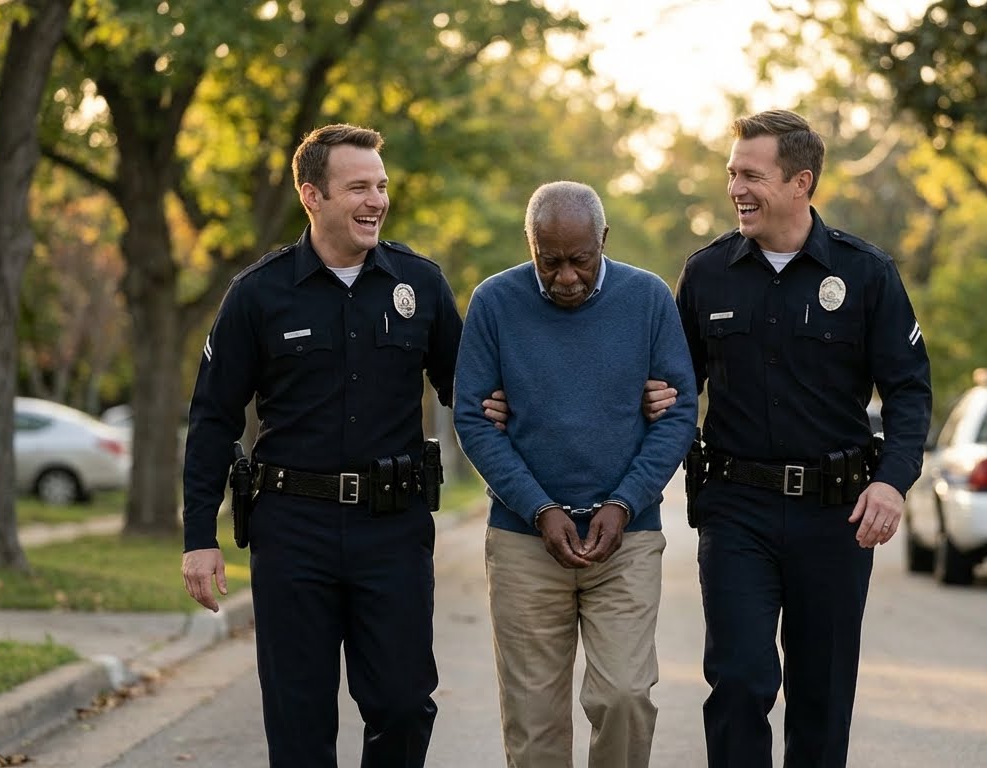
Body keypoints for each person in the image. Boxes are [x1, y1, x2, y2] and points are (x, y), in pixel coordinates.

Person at [180, 123, 462, 767]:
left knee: (402, 703)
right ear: (312, 195)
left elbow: (471, 394)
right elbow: (212, 418)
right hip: (292, 530)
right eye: (358, 187)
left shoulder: (420, 285)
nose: (376, 201)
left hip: (392, 529)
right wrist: (200, 535)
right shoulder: (258, 293)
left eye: (382, 186)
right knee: (298, 717)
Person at [676, 109, 932, 766]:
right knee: (737, 680)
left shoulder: (867, 274)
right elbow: (673, 388)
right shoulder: (706, 275)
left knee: (820, 697)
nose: (735, 187)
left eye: (751, 175)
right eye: (732, 173)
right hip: (736, 510)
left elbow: (908, 389)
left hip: (834, 512)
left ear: (800, 182)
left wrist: (891, 480)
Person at [453, 180, 698, 768]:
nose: (565, 276)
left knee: (625, 697)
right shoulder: (494, 302)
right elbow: (473, 418)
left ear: (603, 241)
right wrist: (540, 508)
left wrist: (625, 501)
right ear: (530, 246)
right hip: (523, 542)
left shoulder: (647, 299)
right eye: (549, 261)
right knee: (534, 723)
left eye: (580, 260)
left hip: (626, 537)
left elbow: (680, 411)